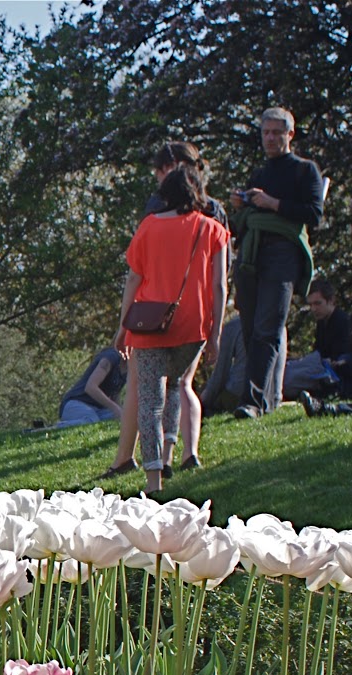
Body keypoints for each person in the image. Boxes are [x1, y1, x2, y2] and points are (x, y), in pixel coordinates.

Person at [105, 141, 227, 476]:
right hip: (195, 323)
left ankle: (151, 472)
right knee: (179, 385)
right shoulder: (214, 225)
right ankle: (179, 454)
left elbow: (134, 276)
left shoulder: (151, 222)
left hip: (151, 320)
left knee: (149, 395)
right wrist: (215, 332)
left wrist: (123, 326)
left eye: (161, 172)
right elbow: (220, 283)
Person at [230, 107, 326, 418]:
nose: (270, 138)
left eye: (276, 133)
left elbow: (313, 213)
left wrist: (273, 203)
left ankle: (253, 402)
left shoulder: (304, 170)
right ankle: (262, 400)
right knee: (249, 327)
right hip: (251, 254)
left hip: (282, 254)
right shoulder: (260, 173)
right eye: (266, 133)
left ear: (289, 134)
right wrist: (243, 203)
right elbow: (244, 221)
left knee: (267, 328)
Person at [283, 278, 352, 398]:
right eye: (310, 304)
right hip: (320, 365)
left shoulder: (343, 321)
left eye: (318, 303)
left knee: (289, 378)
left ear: (331, 301)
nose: (313, 309)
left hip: (332, 372)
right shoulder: (322, 322)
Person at [53, 347, 126, 428]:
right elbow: (91, 387)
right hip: (75, 403)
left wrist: (120, 413)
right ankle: (56, 427)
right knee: (92, 421)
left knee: (121, 418)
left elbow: (115, 394)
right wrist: (114, 408)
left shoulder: (128, 369)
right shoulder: (110, 358)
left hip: (97, 410)